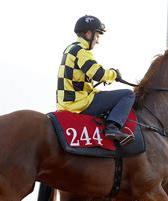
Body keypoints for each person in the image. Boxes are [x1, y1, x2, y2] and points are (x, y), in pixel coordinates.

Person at [56, 15, 135, 144]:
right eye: (97, 35)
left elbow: (83, 78)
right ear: (88, 33)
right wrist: (114, 74)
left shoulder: (70, 49)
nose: (97, 40)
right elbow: (98, 74)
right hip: (79, 103)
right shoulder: (81, 51)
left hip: (66, 103)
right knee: (128, 94)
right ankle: (112, 127)